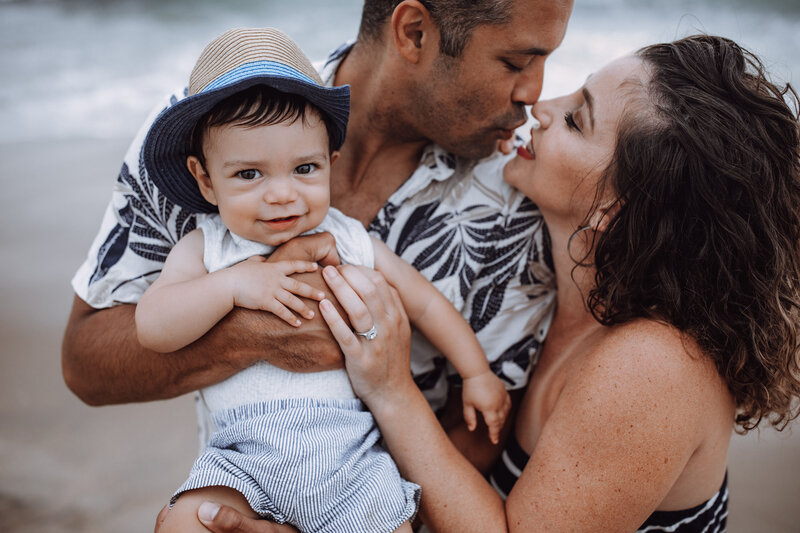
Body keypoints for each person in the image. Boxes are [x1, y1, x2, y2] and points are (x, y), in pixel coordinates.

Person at [315, 34, 800, 532]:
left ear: (613, 210)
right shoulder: (563, 295)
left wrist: (393, 391)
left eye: (575, 119)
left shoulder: (653, 366)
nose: (540, 107)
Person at [63, 0, 569, 453]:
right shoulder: (208, 131)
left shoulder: (515, 197)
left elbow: (483, 434)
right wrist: (249, 333)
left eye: (306, 169)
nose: (534, 93)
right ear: (414, 32)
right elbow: (84, 364)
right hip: (243, 471)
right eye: (516, 62)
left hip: (372, 492)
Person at [136, 26, 514, 533]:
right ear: (205, 179)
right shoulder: (208, 248)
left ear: (331, 165)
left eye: (304, 168)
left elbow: (424, 304)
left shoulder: (351, 239)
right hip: (240, 461)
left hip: (352, 462)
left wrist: (476, 373)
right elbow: (153, 326)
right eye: (250, 174)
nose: (282, 194)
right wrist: (232, 286)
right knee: (185, 524)